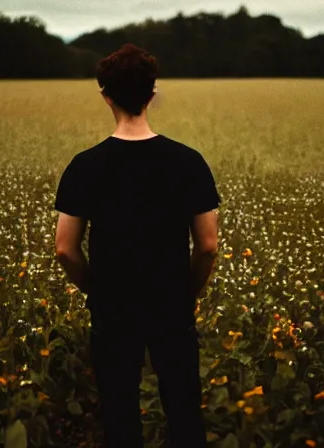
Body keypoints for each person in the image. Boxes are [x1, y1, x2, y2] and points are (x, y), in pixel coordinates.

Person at [54, 43, 221, 447]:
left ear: (105, 95)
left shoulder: (84, 166)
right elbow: (208, 246)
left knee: (119, 416)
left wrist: (97, 289)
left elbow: (64, 249)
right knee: (184, 413)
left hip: (113, 308)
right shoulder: (188, 161)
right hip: (171, 304)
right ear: (152, 93)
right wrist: (188, 290)